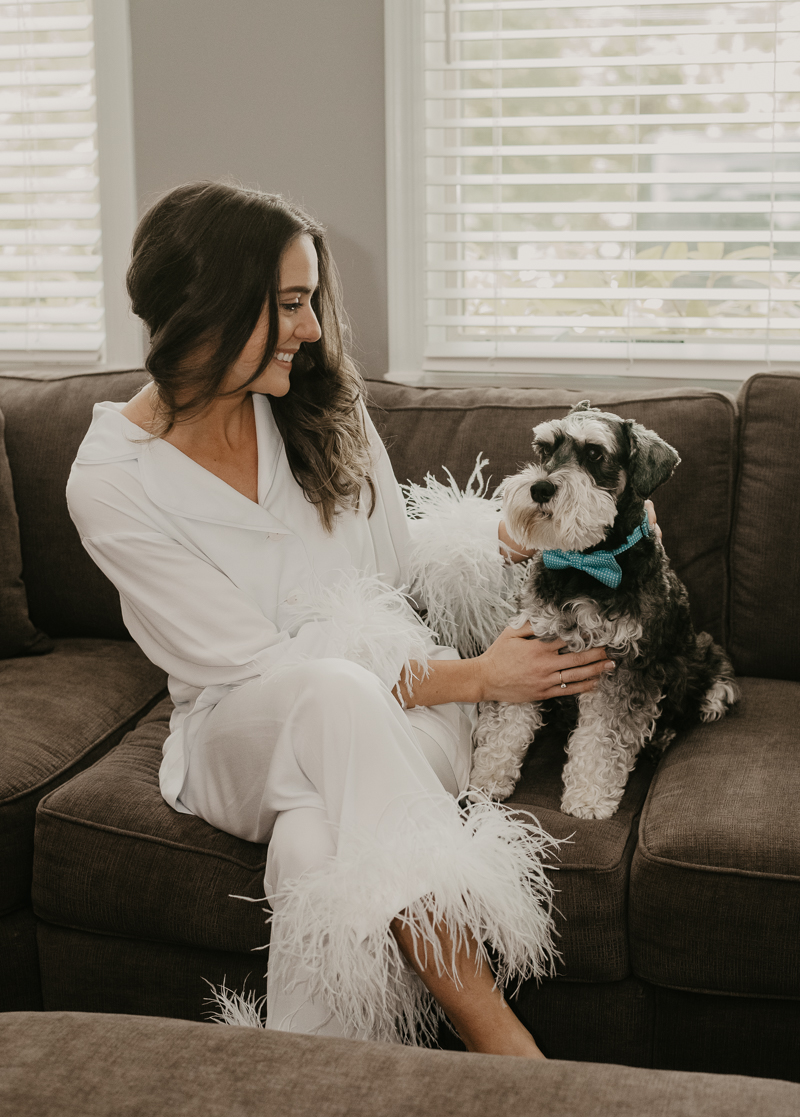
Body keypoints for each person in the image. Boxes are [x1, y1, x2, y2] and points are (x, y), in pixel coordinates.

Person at [67, 181, 628, 1058]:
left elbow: (403, 571)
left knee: (315, 841)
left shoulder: (324, 407)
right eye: (290, 304)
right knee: (326, 693)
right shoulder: (112, 479)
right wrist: (479, 678)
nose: (313, 329)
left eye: (309, 302)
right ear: (208, 307)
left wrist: (538, 535)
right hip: (239, 735)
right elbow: (259, 668)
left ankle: (312, 1107)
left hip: (414, 716)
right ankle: (502, 1039)